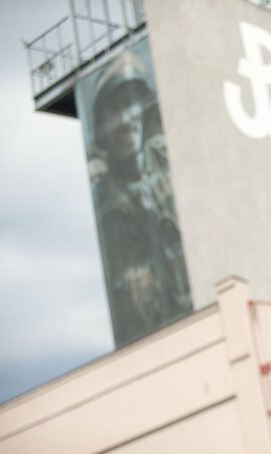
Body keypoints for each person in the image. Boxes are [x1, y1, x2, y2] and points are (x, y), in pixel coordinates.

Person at [89, 50, 192, 346]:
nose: (126, 119)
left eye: (132, 105)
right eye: (115, 109)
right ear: (100, 126)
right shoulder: (104, 204)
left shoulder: (168, 162)